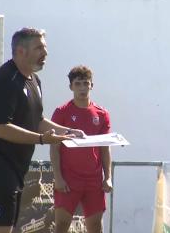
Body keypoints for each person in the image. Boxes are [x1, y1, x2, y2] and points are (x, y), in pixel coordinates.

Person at [0, 28, 84, 233]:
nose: (45, 53)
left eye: (45, 47)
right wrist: (41, 139)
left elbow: (36, 120)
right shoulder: (4, 82)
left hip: (12, 169)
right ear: (20, 51)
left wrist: (69, 131)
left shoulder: (34, 81)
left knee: (3, 228)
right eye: (39, 48)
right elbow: (1, 129)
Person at [50, 65, 112, 233]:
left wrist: (108, 177)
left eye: (86, 83)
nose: (82, 88)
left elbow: (105, 148)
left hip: (93, 180)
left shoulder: (101, 114)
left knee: (95, 227)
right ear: (71, 87)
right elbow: (54, 147)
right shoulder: (61, 112)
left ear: (92, 85)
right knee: (62, 225)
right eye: (78, 84)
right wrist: (58, 177)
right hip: (69, 180)